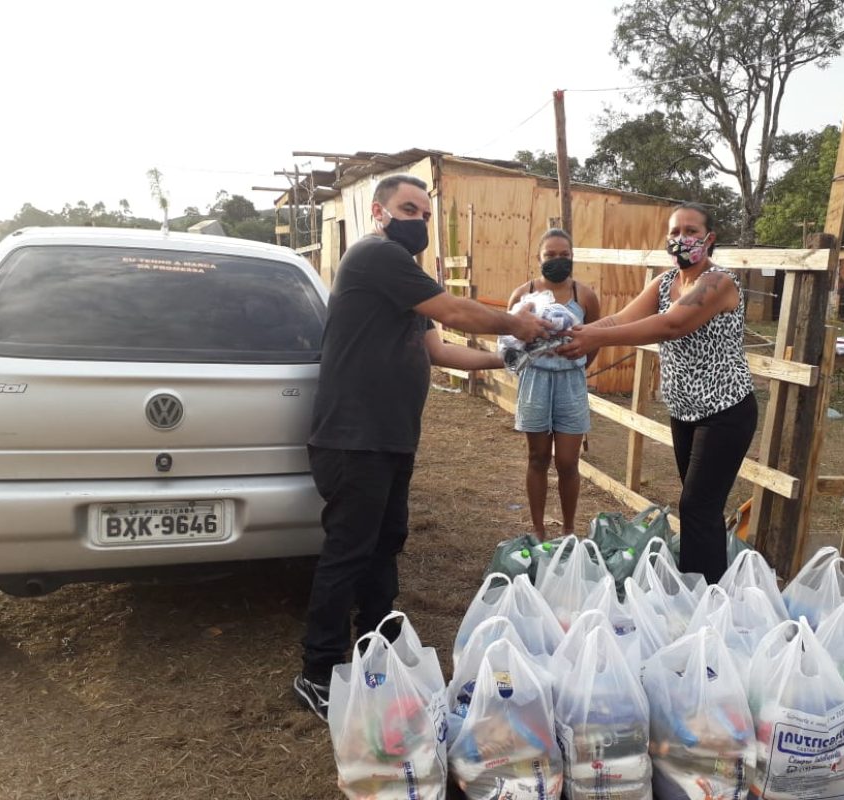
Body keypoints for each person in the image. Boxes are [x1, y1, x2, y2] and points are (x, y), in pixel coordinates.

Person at [294, 174, 551, 720]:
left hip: (390, 437)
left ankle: (374, 646)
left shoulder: (403, 281)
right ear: (381, 213)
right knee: (348, 551)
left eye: (427, 214)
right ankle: (317, 671)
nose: (421, 221)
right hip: (353, 439)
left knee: (386, 543)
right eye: (410, 208)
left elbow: (438, 348)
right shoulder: (374, 257)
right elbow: (456, 313)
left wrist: (506, 358)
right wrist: (518, 324)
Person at [558, 202, 757, 585]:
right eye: (676, 232)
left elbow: (671, 325)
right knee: (705, 508)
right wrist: (573, 332)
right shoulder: (666, 282)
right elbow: (621, 319)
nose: (682, 239)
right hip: (684, 411)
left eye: (692, 231)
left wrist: (594, 336)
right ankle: (712, 592)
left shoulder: (719, 283)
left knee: (696, 506)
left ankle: (697, 596)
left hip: (725, 412)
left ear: (710, 238)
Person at [506, 228, 600, 539]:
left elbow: (594, 339)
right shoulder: (523, 295)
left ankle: (570, 529)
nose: (557, 261)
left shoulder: (584, 296)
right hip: (535, 381)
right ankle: (538, 528)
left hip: (571, 383)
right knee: (538, 457)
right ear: (538, 259)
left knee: (568, 462)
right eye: (550, 255)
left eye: (564, 255)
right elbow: (509, 339)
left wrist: (579, 361)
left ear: (572, 258)